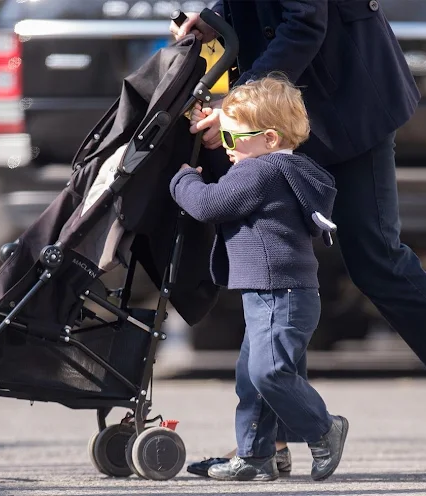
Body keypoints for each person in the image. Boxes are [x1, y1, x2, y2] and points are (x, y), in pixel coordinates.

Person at [171, 0, 426, 477]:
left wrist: (240, 107)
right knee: (269, 258)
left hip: (345, 102)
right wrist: (218, 15)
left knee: (377, 259)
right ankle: (262, 445)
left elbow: (304, 19)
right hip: (281, 104)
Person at [170, 76, 348, 482]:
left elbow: (208, 204)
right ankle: (255, 456)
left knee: (268, 374)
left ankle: (325, 429)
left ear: (269, 138)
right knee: (254, 378)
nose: (228, 150)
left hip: (277, 294)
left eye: (233, 140)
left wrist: (183, 179)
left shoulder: (259, 172)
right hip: (285, 294)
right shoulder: (290, 168)